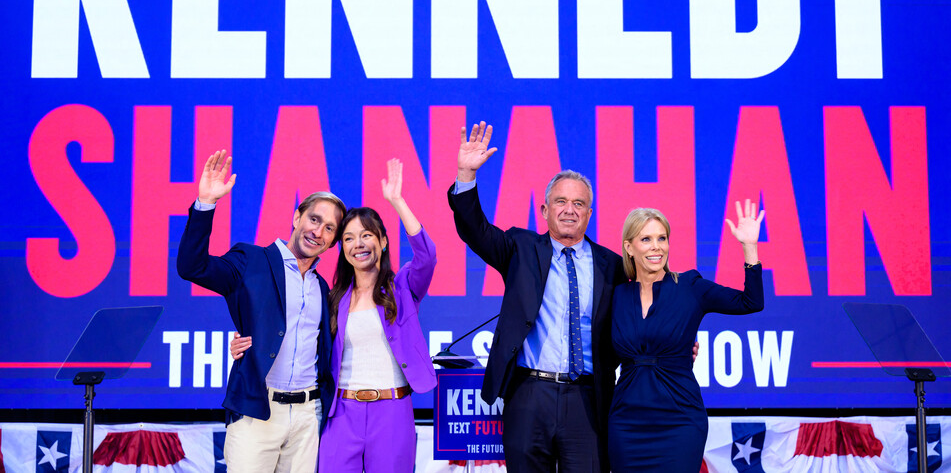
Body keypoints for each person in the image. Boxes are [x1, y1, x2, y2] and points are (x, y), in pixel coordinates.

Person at [231, 158, 437, 472]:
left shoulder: (402, 289)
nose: (358, 244)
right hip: (341, 413)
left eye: (367, 235)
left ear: (382, 241)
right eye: (349, 238)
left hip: (393, 410)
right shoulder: (333, 297)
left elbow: (427, 256)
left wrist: (397, 201)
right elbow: (298, 337)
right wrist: (247, 343)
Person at [447, 122, 626, 472]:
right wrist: (466, 174)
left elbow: (644, 309)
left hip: (589, 399)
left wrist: (676, 341)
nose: (570, 209)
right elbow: (474, 229)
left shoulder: (614, 266)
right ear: (545, 211)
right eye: (560, 201)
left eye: (579, 203)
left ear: (590, 214)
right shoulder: (521, 248)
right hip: (529, 394)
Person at [177, 150, 345, 473]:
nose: (318, 232)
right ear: (297, 217)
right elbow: (191, 267)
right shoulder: (250, 261)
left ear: (332, 241)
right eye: (314, 219)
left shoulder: (323, 289)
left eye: (329, 229)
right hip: (258, 410)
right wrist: (205, 205)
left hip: (308, 418)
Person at [608, 200, 765, 472]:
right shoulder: (617, 296)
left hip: (679, 421)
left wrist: (749, 246)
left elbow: (750, 302)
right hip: (626, 423)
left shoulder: (690, 287)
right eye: (646, 239)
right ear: (629, 247)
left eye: (662, 238)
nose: (657, 246)